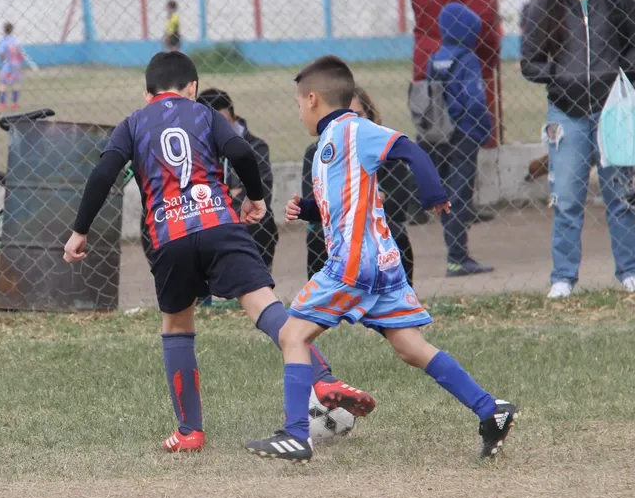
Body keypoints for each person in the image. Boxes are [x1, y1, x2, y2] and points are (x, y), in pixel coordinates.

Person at [64, 51, 376, 453]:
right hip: (221, 227)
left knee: (177, 328)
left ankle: (190, 431)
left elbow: (102, 174)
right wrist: (256, 198)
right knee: (265, 307)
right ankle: (323, 378)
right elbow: (243, 153)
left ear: (147, 94)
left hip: (170, 238)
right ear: (192, 88)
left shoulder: (133, 124)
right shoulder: (205, 114)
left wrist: (80, 231)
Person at [244, 56, 517, 463]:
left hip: (353, 265)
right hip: (380, 267)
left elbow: (408, 148)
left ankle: (296, 435)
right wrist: (307, 210)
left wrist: (434, 193)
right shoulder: (328, 145)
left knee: (292, 335)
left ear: (313, 99)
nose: (298, 111)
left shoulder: (353, 130)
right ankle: (489, 408)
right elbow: (343, 205)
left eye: (298, 103)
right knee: (410, 347)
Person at [521, 0, 635, 299]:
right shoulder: (544, 9)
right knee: (566, 199)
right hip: (566, 114)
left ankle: (630, 272)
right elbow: (530, 63)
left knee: (620, 194)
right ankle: (563, 278)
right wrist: (560, 75)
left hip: (614, 111)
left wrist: (620, 75)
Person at [303, 86, 416, 285]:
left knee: (397, 234)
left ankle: (400, 294)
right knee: (317, 237)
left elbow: (400, 200)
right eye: (343, 116)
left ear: (370, 115)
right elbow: (312, 201)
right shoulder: (317, 152)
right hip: (335, 230)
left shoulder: (386, 147)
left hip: (378, 227)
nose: (350, 122)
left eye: (357, 115)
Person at [425, 2, 495, 277]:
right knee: (460, 195)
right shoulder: (467, 58)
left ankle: (454, 252)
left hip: (440, 134)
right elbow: (474, 100)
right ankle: (458, 257)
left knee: (446, 196)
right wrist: (483, 129)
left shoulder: (435, 58)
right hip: (464, 134)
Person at [197, 88, 278, 268]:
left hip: (245, 224)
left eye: (224, 124)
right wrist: (231, 193)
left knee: (261, 219)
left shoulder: (256, 147)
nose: (219, 131)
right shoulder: (194, 152)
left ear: (234, 118)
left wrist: (218, 197)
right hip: (207, 225)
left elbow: (261, 192)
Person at [0, 22, 24, 112]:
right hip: (15, 65)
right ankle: (14, 103)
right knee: (15, 84)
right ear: (12, 30)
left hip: (6, 65)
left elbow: (1, 53)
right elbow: (20, 53)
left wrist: (2, 62)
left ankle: (2, 103)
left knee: (2, 83)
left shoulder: (2, 41)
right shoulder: (16, 41)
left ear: (4, 30)